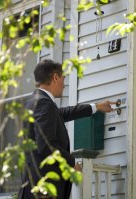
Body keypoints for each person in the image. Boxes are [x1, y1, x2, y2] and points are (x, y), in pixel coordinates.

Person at [18, 59, 115, 199]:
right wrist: (72, 162)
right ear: (55, 77)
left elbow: (64, 113)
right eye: (64, 78)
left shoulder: (36, 101)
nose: (64, 84)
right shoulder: (43, 103)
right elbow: (46, 145)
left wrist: (97, 107)